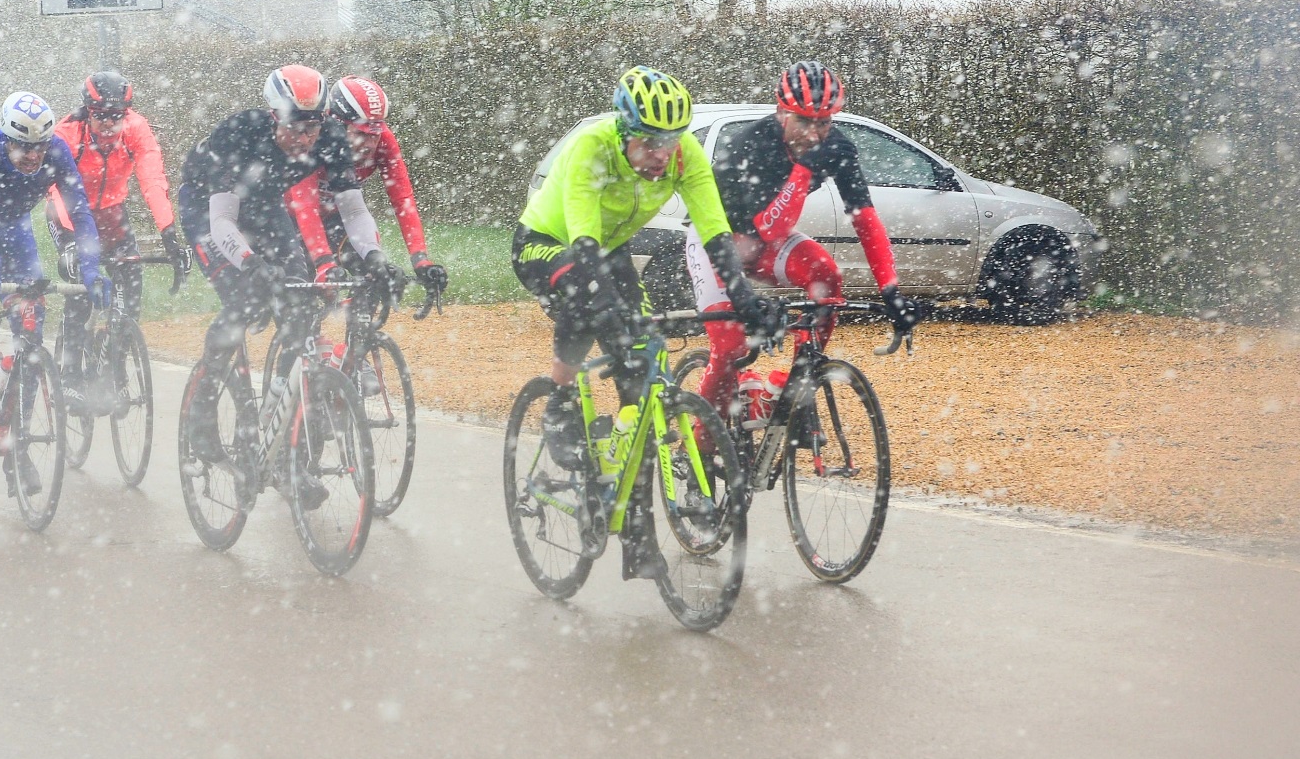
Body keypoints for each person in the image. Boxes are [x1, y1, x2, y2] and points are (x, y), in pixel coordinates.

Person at [514, 68, 782, 574]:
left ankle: (636, 530)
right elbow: (584, 243)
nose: (662, 154)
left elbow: (715, 233)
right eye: (650, 142)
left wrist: (744, 296)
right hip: (550, 243)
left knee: (642, 387)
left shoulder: (685, 156)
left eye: (671, 141)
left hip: (609, 250)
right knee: (590, 299)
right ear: (624, 130)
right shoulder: (593, 147)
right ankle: (559, 402)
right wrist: (613, 315)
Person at [173, 65, 391, 493]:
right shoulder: (239, 133)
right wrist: (251, 264)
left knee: (302, 302)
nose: (305, 139)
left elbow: (353, 209)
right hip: (209, 210)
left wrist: (376, 256)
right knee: (245, 301)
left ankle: (280, 435)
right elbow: (222, 221)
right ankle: (203, 409)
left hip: (267, 208)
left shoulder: (329, 136)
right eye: (295, 128)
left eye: (313, 128)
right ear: (274, 116)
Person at [693, 61, 928, 421]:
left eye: (824, 122)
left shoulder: (838, 147)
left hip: (765, 244)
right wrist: (803, 171)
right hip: (720, 244)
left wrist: (890, 290)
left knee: (826, 275)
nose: (814, 134)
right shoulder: (751, 145)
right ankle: (702, 447)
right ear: (780, 113)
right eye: (803, 121)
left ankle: (792, 382)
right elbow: (769, 226)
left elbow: (865, 219)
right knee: (731, 348)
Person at [0, 92, 109, 408]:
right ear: (6, 140)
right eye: (24, 147)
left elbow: (80, 213)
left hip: (14, 228)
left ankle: (19, 434)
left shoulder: (57, 153)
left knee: (33, 316)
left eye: (40, 146)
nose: (34, 156)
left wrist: (90, 267)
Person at [43, 71, 191, 356]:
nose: (109, 124)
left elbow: (153, 181)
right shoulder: (67, 133)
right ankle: (72, 372)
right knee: (82, 289)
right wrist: (70, 242)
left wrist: (169, 235)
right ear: (88, 111)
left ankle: (118, 356)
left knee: (131, 280)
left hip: (112, 211)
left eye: (117, 116)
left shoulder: (136, 128)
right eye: (100, 115)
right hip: (70, 212)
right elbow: (55, 190)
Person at [321, 75, 449, 298]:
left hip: (339, 216)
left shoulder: (385, 141)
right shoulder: (314, 141)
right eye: (361, 134)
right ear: (337, 126)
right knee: (309, 283)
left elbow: (403, 200)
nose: (371, 144)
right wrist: (321, 260)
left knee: (375, 275)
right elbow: (301, 206)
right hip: (294, 218)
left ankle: (361, 326)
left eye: (375, 134)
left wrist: (420, 259)